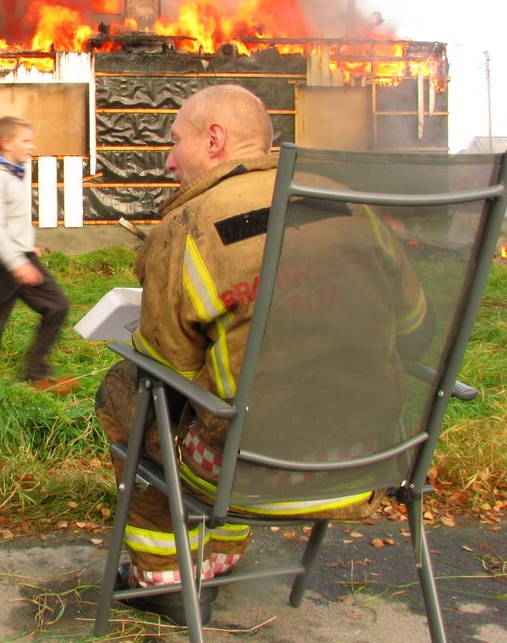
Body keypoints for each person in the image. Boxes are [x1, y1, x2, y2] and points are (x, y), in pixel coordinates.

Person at [95, 84, 430, 625]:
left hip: (251, 472)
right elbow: (417, 330)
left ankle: (168, 579)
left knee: (129, 391)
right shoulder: (351, 203)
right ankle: (221, 555)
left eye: (174, 141)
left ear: (214, 139)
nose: (167, 159)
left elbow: (171, 370)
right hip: (371, 460)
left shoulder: (185, 227)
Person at [0, 116, 71, 393]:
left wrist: (26, 247)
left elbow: (12, 220)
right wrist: (16, 261)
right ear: (6, 143)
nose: (32, 147)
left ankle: (35, 373)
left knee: (57, 305)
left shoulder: (14, 174)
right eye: (25, 141)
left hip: (20, 255)